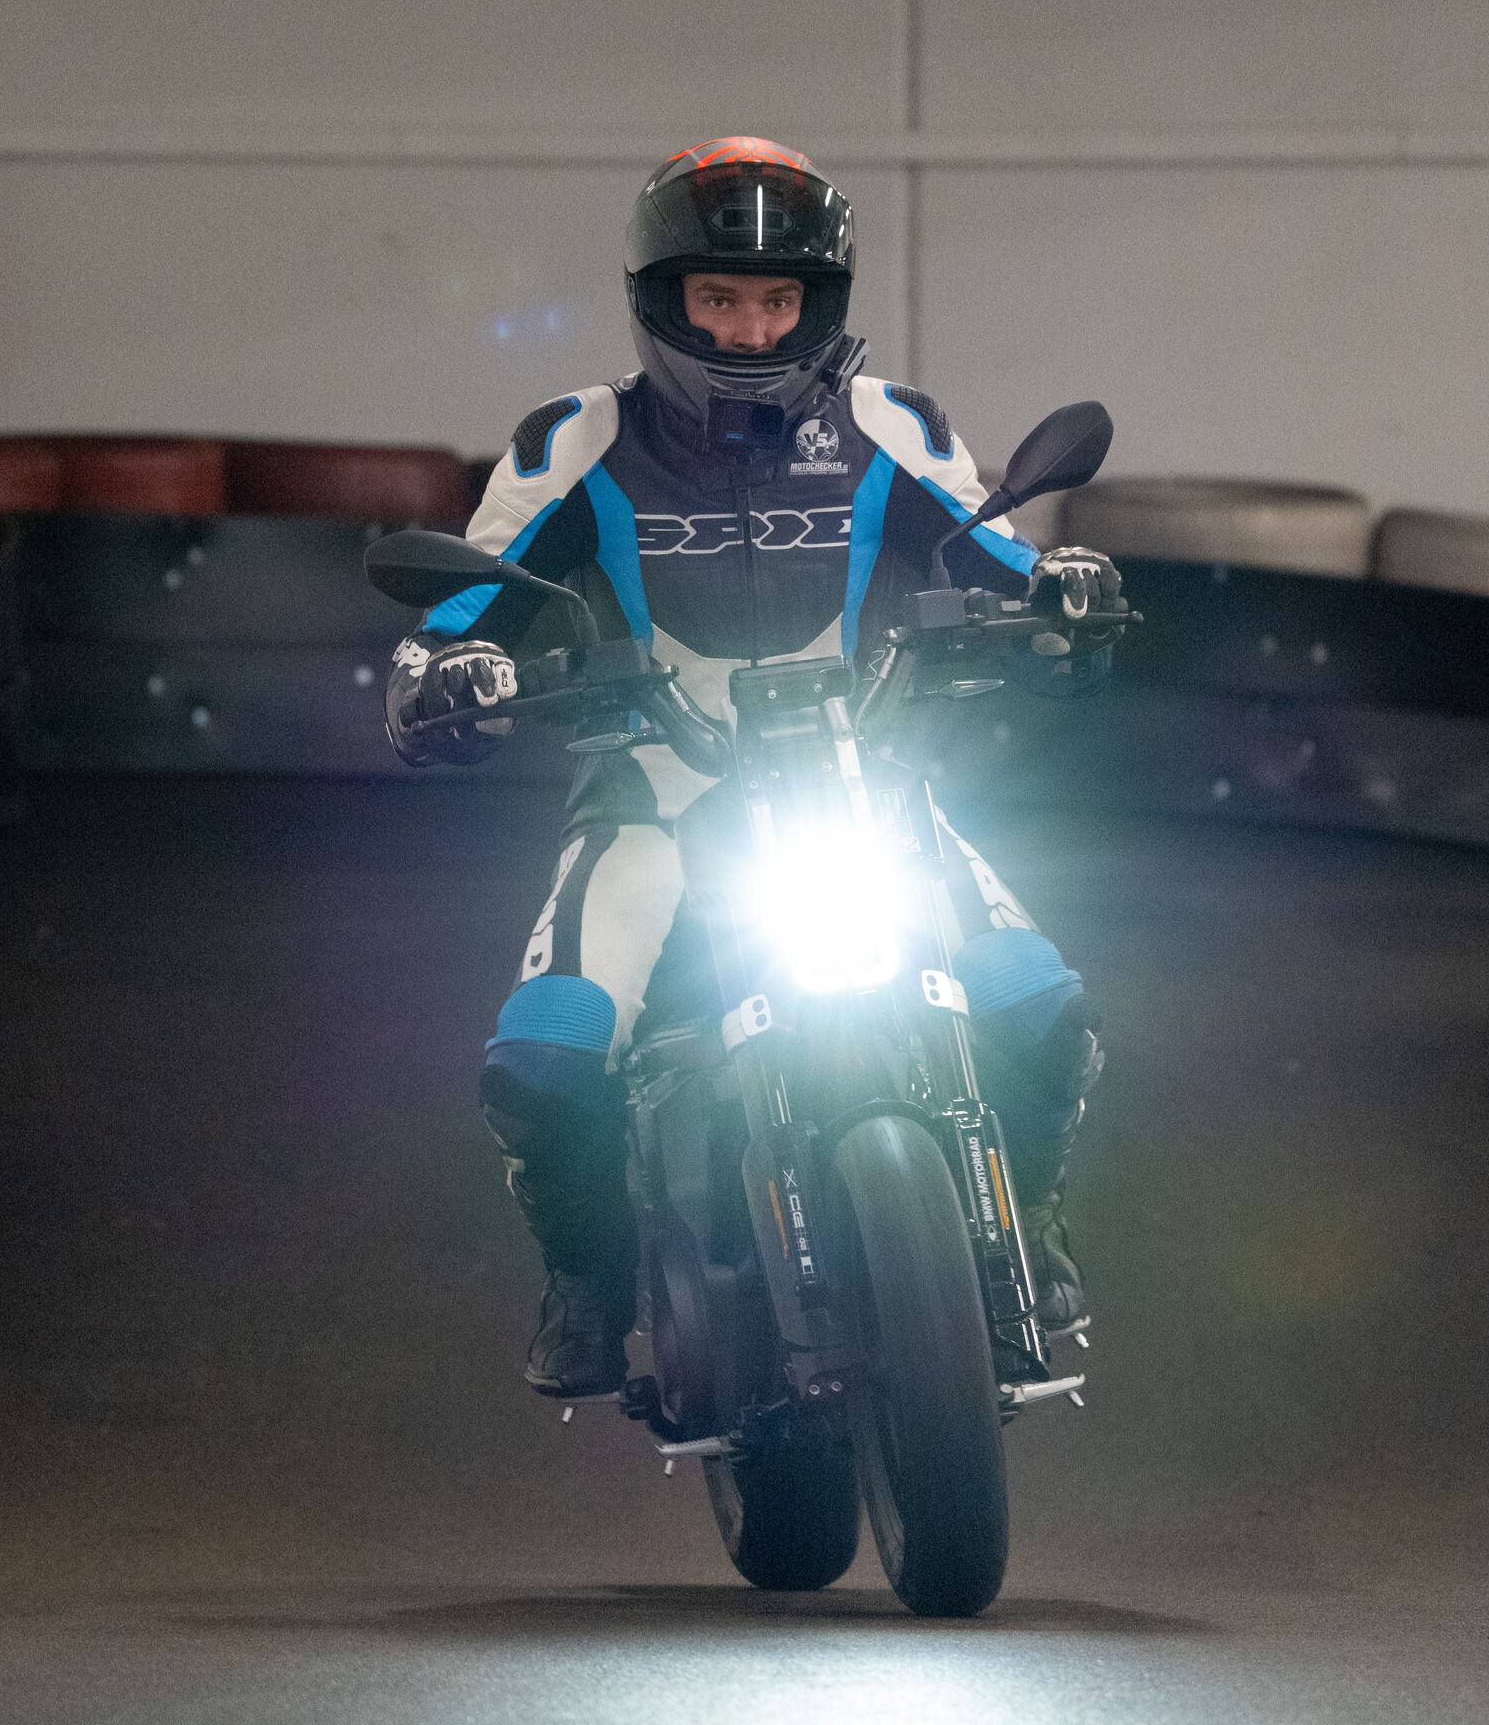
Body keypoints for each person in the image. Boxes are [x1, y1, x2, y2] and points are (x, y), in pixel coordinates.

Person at [386, 138, 1118, 1397]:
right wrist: (436, 672)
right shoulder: (574, 440)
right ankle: (588, 1282)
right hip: (650, 800)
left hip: (864, 787)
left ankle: (1032, 1227)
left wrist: (1063, 592)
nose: (748, 329)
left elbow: (995, 558)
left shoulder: (890, 425)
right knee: (543, 1064)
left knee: (1045, 1018)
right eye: (718, 298)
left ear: (817, 302)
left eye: (777, 299)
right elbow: (460, 610)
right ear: (660, 299)